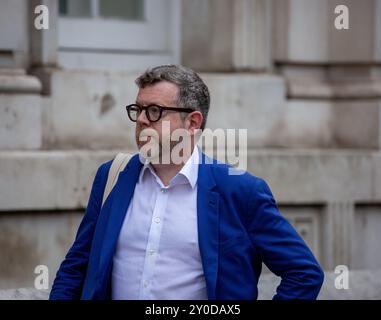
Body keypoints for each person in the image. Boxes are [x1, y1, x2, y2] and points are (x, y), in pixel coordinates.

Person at [49, 64, 324, 300]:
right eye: (138, 109)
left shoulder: (241, 190)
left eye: (155, 111)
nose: (142, 120)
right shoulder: (112, 176)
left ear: (192, 122)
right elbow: (77, 265)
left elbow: (304, 272)